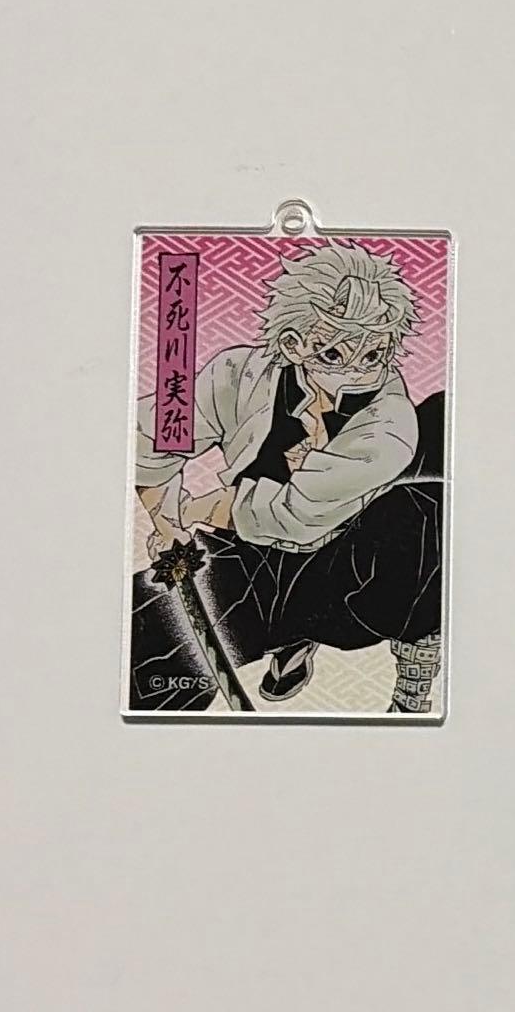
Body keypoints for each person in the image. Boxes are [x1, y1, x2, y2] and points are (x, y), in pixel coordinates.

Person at [131, 243, 443, 712]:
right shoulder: (241, 372)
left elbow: (291, 516)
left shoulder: (390, 424)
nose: (359, 372)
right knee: (151, 641)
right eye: (335, 353)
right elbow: (154, 435)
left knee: (427, 533)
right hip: (245, 551)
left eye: (375, 355)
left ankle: (409, 681)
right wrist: (166, 521)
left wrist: (192, 509)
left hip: (346, 568)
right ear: (294, 344)